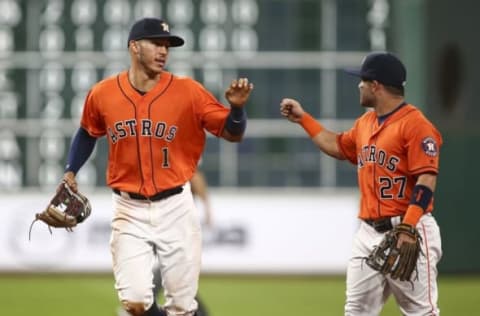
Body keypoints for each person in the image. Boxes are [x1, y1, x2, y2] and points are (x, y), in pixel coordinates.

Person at [62, 17, 253, 316]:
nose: (164, 51)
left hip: (176, 205)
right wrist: (71, 170)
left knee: (182, 307)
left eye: (167, 45)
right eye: (156, 43)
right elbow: (88, 131)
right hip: (128, 208)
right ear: (134, 46)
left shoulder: (189, 92)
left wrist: (238, 110)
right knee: (135, 302)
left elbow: (233, 133)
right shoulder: (103, 93)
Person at [280, 52, 442, 315]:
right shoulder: (365, 123)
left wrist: (408, 226)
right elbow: (337, 145)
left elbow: (427, 179)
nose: (359, 85)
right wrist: (303, 119)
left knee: (422, 312)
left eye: (363, 80)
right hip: (368, 232)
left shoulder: (416, 125)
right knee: (356, 310)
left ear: (376, 85)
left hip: (409, 230)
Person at [117, 167, 213, 316]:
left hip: (170, 220)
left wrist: (207, 207)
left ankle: (135, 307)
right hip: (166, 219)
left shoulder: (177, 160)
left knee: (174, 273)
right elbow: (196, 177)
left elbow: (195, 176)